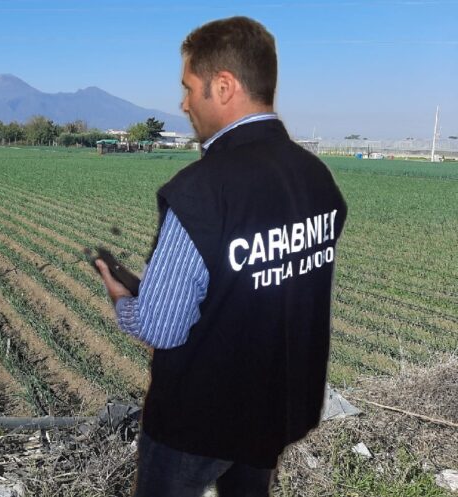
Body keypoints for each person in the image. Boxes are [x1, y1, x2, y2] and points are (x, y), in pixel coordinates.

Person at [95, 16, 347, 497]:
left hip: (199, 422)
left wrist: (123, 300)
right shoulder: (316, 176)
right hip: (279, 405)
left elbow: (161, 327)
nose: (183, 103)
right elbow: (268, 279)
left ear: (225, 86)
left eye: (189, 87)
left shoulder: (201, 190)